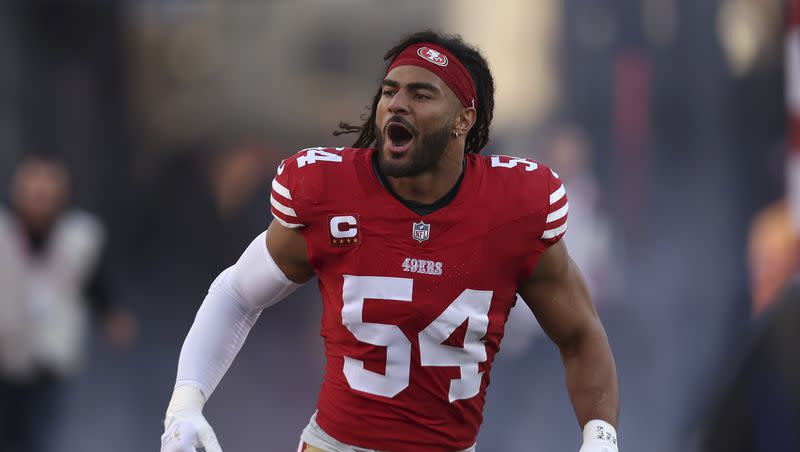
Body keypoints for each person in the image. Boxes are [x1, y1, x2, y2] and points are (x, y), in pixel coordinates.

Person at [160, 31, 619, 452]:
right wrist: (185, 402)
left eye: (421, 94)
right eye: (389, 90)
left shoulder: (513, 209)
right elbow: (238, 292)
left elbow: (580, 334)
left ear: (464, 119)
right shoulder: (331, 193)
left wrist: (600, 437)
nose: (397, 104)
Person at [0, 156, 136, 452]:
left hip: (50, 353)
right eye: (32, 193)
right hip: (5, 349)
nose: (38, 202)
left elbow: (95, 282)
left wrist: (111, 316)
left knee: (39, 434)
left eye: (46, 195)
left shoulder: (79, 238)